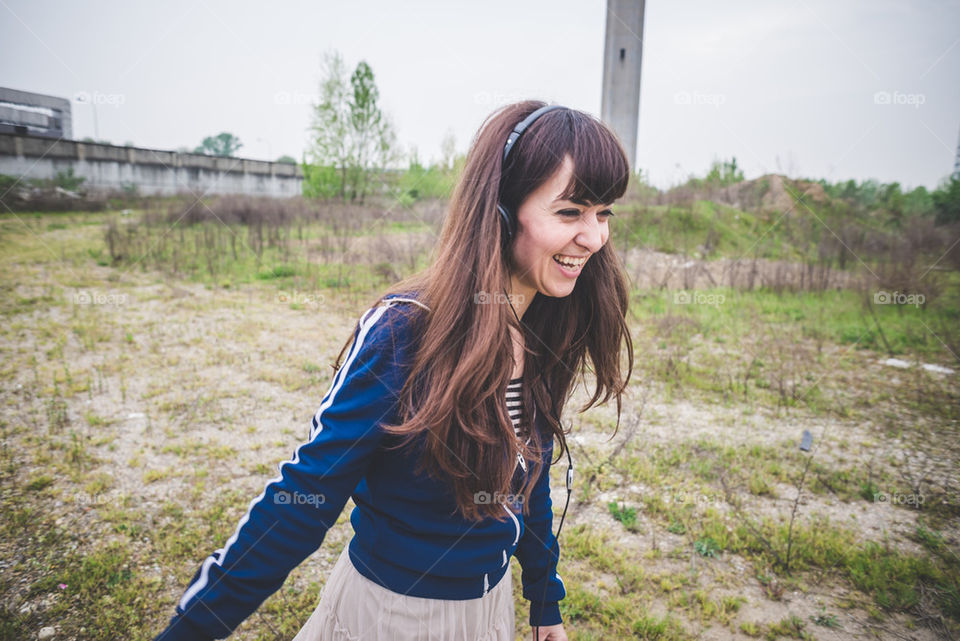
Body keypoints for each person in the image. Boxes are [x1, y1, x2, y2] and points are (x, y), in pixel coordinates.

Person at [153, 99, 634, 641]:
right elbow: (303, 500)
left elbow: (530, 477)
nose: (594, 238)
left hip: (490, 612)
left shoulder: (544, 320)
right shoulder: (404, 334)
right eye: (570, 213)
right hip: (393, 619)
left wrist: (546, 601)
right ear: (499, 211)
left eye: (603, 213)